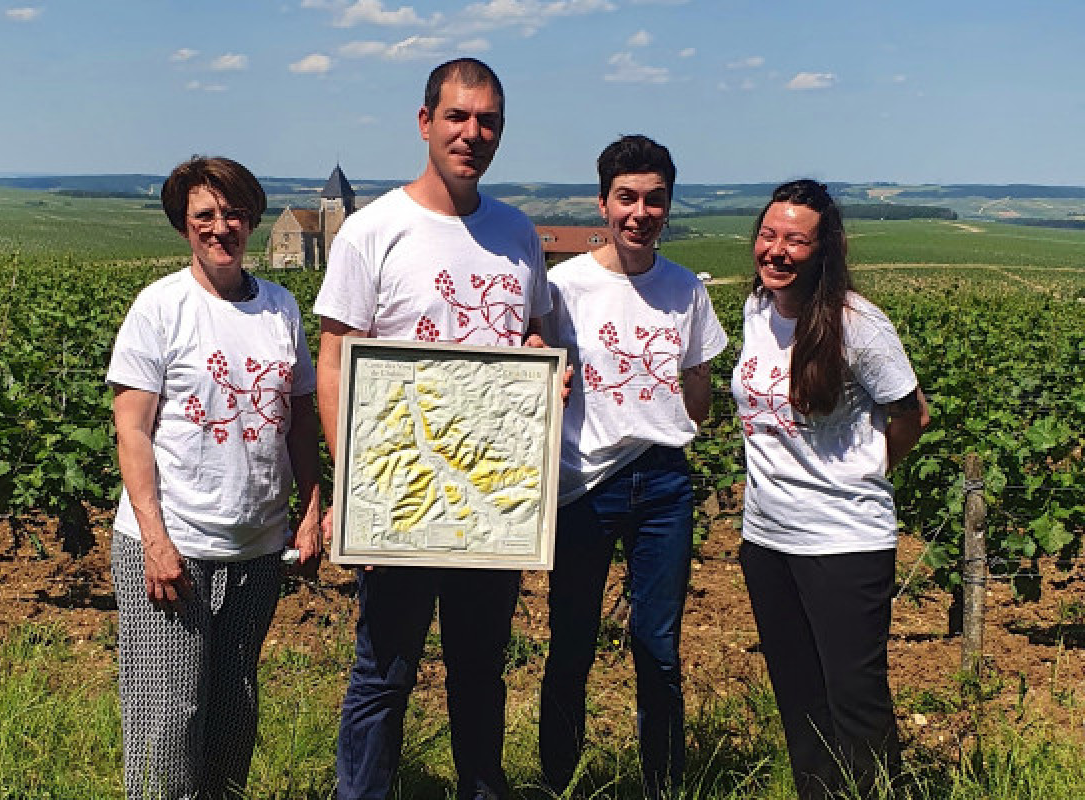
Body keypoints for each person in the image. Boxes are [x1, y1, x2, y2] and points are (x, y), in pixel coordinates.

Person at [313, 58, 551, 800]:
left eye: (487, 121)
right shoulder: (372, 231)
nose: (472, 133)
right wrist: (356, 492)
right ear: (425, 123)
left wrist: (545, 370)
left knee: (480, 669)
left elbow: (534, 339)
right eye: (457, 117)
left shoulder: (518, 234)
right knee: (383, 673)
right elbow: (334, 365)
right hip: (402, 490)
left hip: (489, 496)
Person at [107, 156, 321, 799]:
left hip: (257, 547)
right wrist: (155, 541)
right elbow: (132, 430)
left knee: (234, 709)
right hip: (173, 544)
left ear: (252, 221)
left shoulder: (280, 307)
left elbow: (300, 421)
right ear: (184, 225)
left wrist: (312, 510)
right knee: (169, 717)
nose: (221, 227)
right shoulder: (160, 307)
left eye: (234, 214)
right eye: (204, 215)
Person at [537, 135, 728, 798]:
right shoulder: (564, 288)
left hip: (664, 481)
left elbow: (699, 398)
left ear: (668, 206)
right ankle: (558, 781)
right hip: (583, 486)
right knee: (571, 643)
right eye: (626, 198)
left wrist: (684, 391)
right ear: (603, 203)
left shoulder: (686, 289)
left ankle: (662, 786)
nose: (640, 213)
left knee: (658, 648)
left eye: (654, 200)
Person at [733, 180, 928, 799]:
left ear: (824, 250)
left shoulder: (857, 323)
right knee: (799, 698)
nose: (777, 250)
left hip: (844, 541)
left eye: (795, 240)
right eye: (768, 235)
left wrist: (861, 473)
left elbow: (912, 414)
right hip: (766, 539)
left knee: (855, 701)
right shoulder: (756, 309)